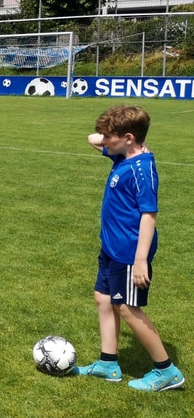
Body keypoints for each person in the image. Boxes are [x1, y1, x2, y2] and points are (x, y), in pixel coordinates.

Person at [73, 105, 184, 391]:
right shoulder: (123, 155)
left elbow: (149, 214)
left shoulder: (142, 169)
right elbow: (90, 138)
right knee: (103, 298)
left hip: (130, 252)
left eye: (109, 136)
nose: (104, 140)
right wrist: (110, 130)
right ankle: (108, 364)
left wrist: (140, 260)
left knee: (127, 308)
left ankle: (167, 371)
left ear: (130, 138)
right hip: (111, 246)